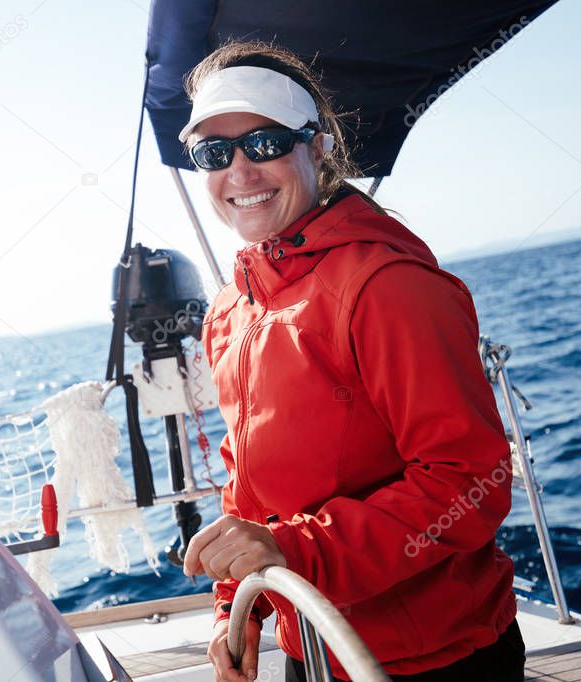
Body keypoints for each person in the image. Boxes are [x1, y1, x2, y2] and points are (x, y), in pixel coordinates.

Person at [178, 41, 525, 682]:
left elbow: (468, 483)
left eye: (264, 143)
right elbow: (247, 487)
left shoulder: (387, 287)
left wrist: (293, 551)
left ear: (319, 146)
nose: (240, 172)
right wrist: (238, 611)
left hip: (436, 658)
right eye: (213, 153)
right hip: (309, 646)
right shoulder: (230, 311)